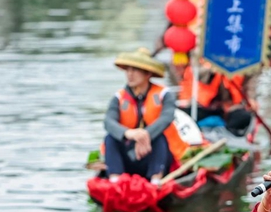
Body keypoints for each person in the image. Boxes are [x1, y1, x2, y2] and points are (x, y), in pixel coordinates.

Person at [102, 48, 188, 185]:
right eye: (128, 70)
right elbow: (108, 121)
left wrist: (145, 135)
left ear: (147, 74)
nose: (130, 74)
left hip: (156, 154)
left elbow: (166, 117)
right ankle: (115, 180)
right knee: (110, 138)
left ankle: (156, 180)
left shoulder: (164, 94)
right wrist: (129, 133)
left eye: (135, 70)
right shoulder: (119, 97)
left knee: (160, 138)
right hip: (130, 153)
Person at [176, 58, 255, 136]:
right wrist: (214, 68)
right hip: (203, 107)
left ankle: (228, 137)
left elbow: (248, 85)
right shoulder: (204, 60)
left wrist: (251, 99)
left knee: (244, 116)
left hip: (228, 109)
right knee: (184, 114)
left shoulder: (241, 64)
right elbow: (198, 74)